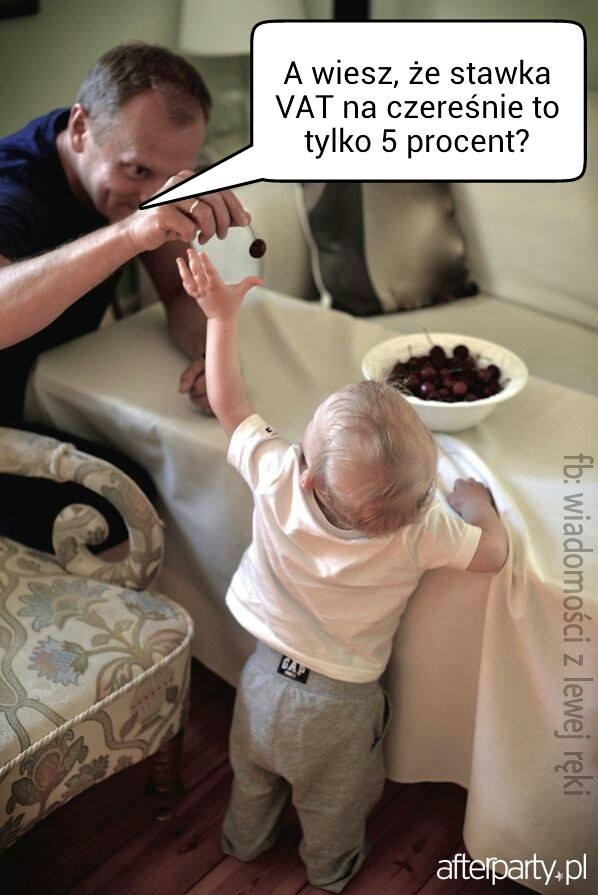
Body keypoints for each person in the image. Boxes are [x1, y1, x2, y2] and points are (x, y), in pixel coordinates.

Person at [176, 248, 509, 892]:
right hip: (341, 706)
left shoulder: (277, 476)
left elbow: (228, 402)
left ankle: (242, 842)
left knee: (253, 778)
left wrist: (221, 317)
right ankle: (330, 871)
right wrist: (478, 506)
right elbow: (491, 555)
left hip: (261, 678)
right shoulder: (422, 529)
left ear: (306, 472)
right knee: (334, 805)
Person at [0, 42, 251, 551]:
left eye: (171, 177)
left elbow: (179, 290)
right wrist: (132, 233)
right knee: (127, 505)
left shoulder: (128, 163)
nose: (155, 196)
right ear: (80, 129)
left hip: (54, 383)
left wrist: (212, 355)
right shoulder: (14, 190)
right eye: (138, 171)